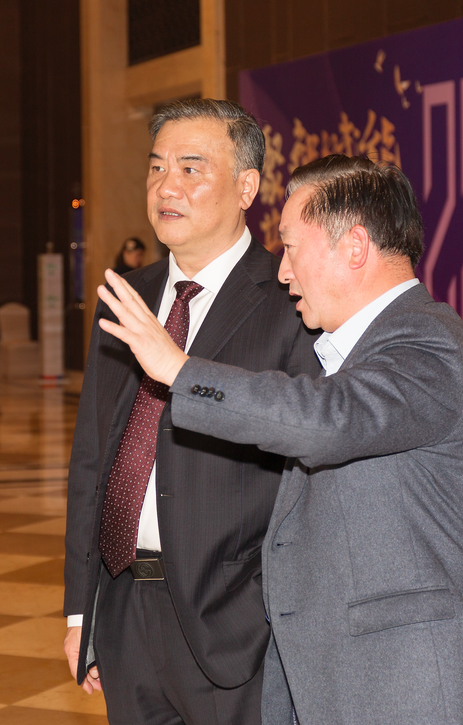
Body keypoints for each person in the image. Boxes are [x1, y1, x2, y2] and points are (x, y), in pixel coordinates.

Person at [96, 154, 463, 725]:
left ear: (354, 247)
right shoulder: (354, 353)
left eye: (292, 248)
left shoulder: (429, 344)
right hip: (335, 676)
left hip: (403, 683)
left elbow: (325, 420)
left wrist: (179, 370)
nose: (282, 272)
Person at [63, 99, 320, 725]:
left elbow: (311, 464)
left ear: (246, 188)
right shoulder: (126, 298)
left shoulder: (290, 300)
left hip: (235, 627)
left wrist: (270, 612)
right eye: (156, 168)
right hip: (124, 611)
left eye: (190, 168)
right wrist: (81, 611)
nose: (166, 187)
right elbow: (93, 458)